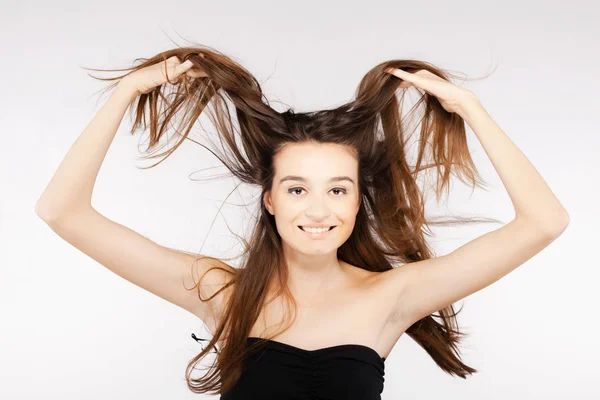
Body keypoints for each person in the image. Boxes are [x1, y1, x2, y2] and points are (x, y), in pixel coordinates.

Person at [35, 46, 569, 399]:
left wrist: (470, 108)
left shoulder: (394, 295)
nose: (318, 211)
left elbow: (544, 222)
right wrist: (124, 94)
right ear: (269, 200)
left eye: (338, 190)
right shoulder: (221, 291)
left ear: (358, 201)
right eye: (297, 189)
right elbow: (63, 212)